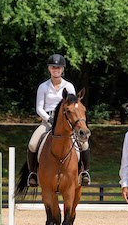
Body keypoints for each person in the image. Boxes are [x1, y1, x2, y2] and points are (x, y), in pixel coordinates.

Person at [26, 54, 91, 187]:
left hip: (67, 123)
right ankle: (33, 173)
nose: (56, 70)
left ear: (62, 70)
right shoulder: (43, 87)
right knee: (32, 144)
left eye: (58, 68)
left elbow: (74, 106)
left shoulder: (69, 86)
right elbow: (39, 108)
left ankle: (84, 172)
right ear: (49, 68)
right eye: (53, 67)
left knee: (84, 144)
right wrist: (48, 118)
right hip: (47, 121)